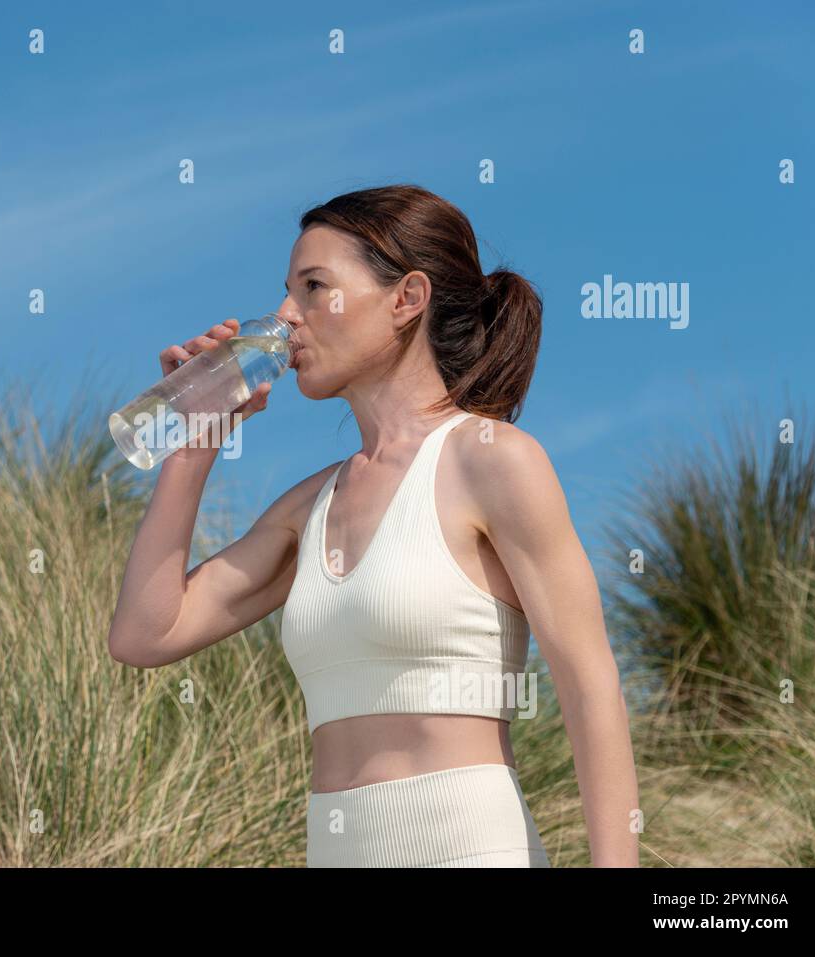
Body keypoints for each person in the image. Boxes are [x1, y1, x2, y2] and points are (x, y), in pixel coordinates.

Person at [106, 184, 640, 867]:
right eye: (285, 292)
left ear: (406, 299)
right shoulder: (310, 506)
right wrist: (193, 451)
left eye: (313, 287)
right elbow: (144, 633)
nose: (284, 317)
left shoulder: (493, 461)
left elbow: (589, 684)